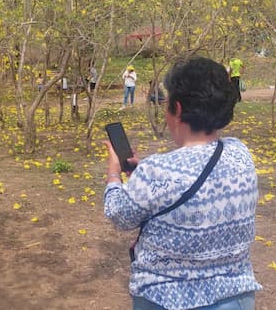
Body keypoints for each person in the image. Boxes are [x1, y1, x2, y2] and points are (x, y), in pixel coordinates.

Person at [104, 57, 261, 310]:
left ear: (177, 108)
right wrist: (147, 177)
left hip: (166, 299)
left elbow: (119, 216)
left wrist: (114, 174)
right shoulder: (240, 153)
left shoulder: (157, 171)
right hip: (236, 298)